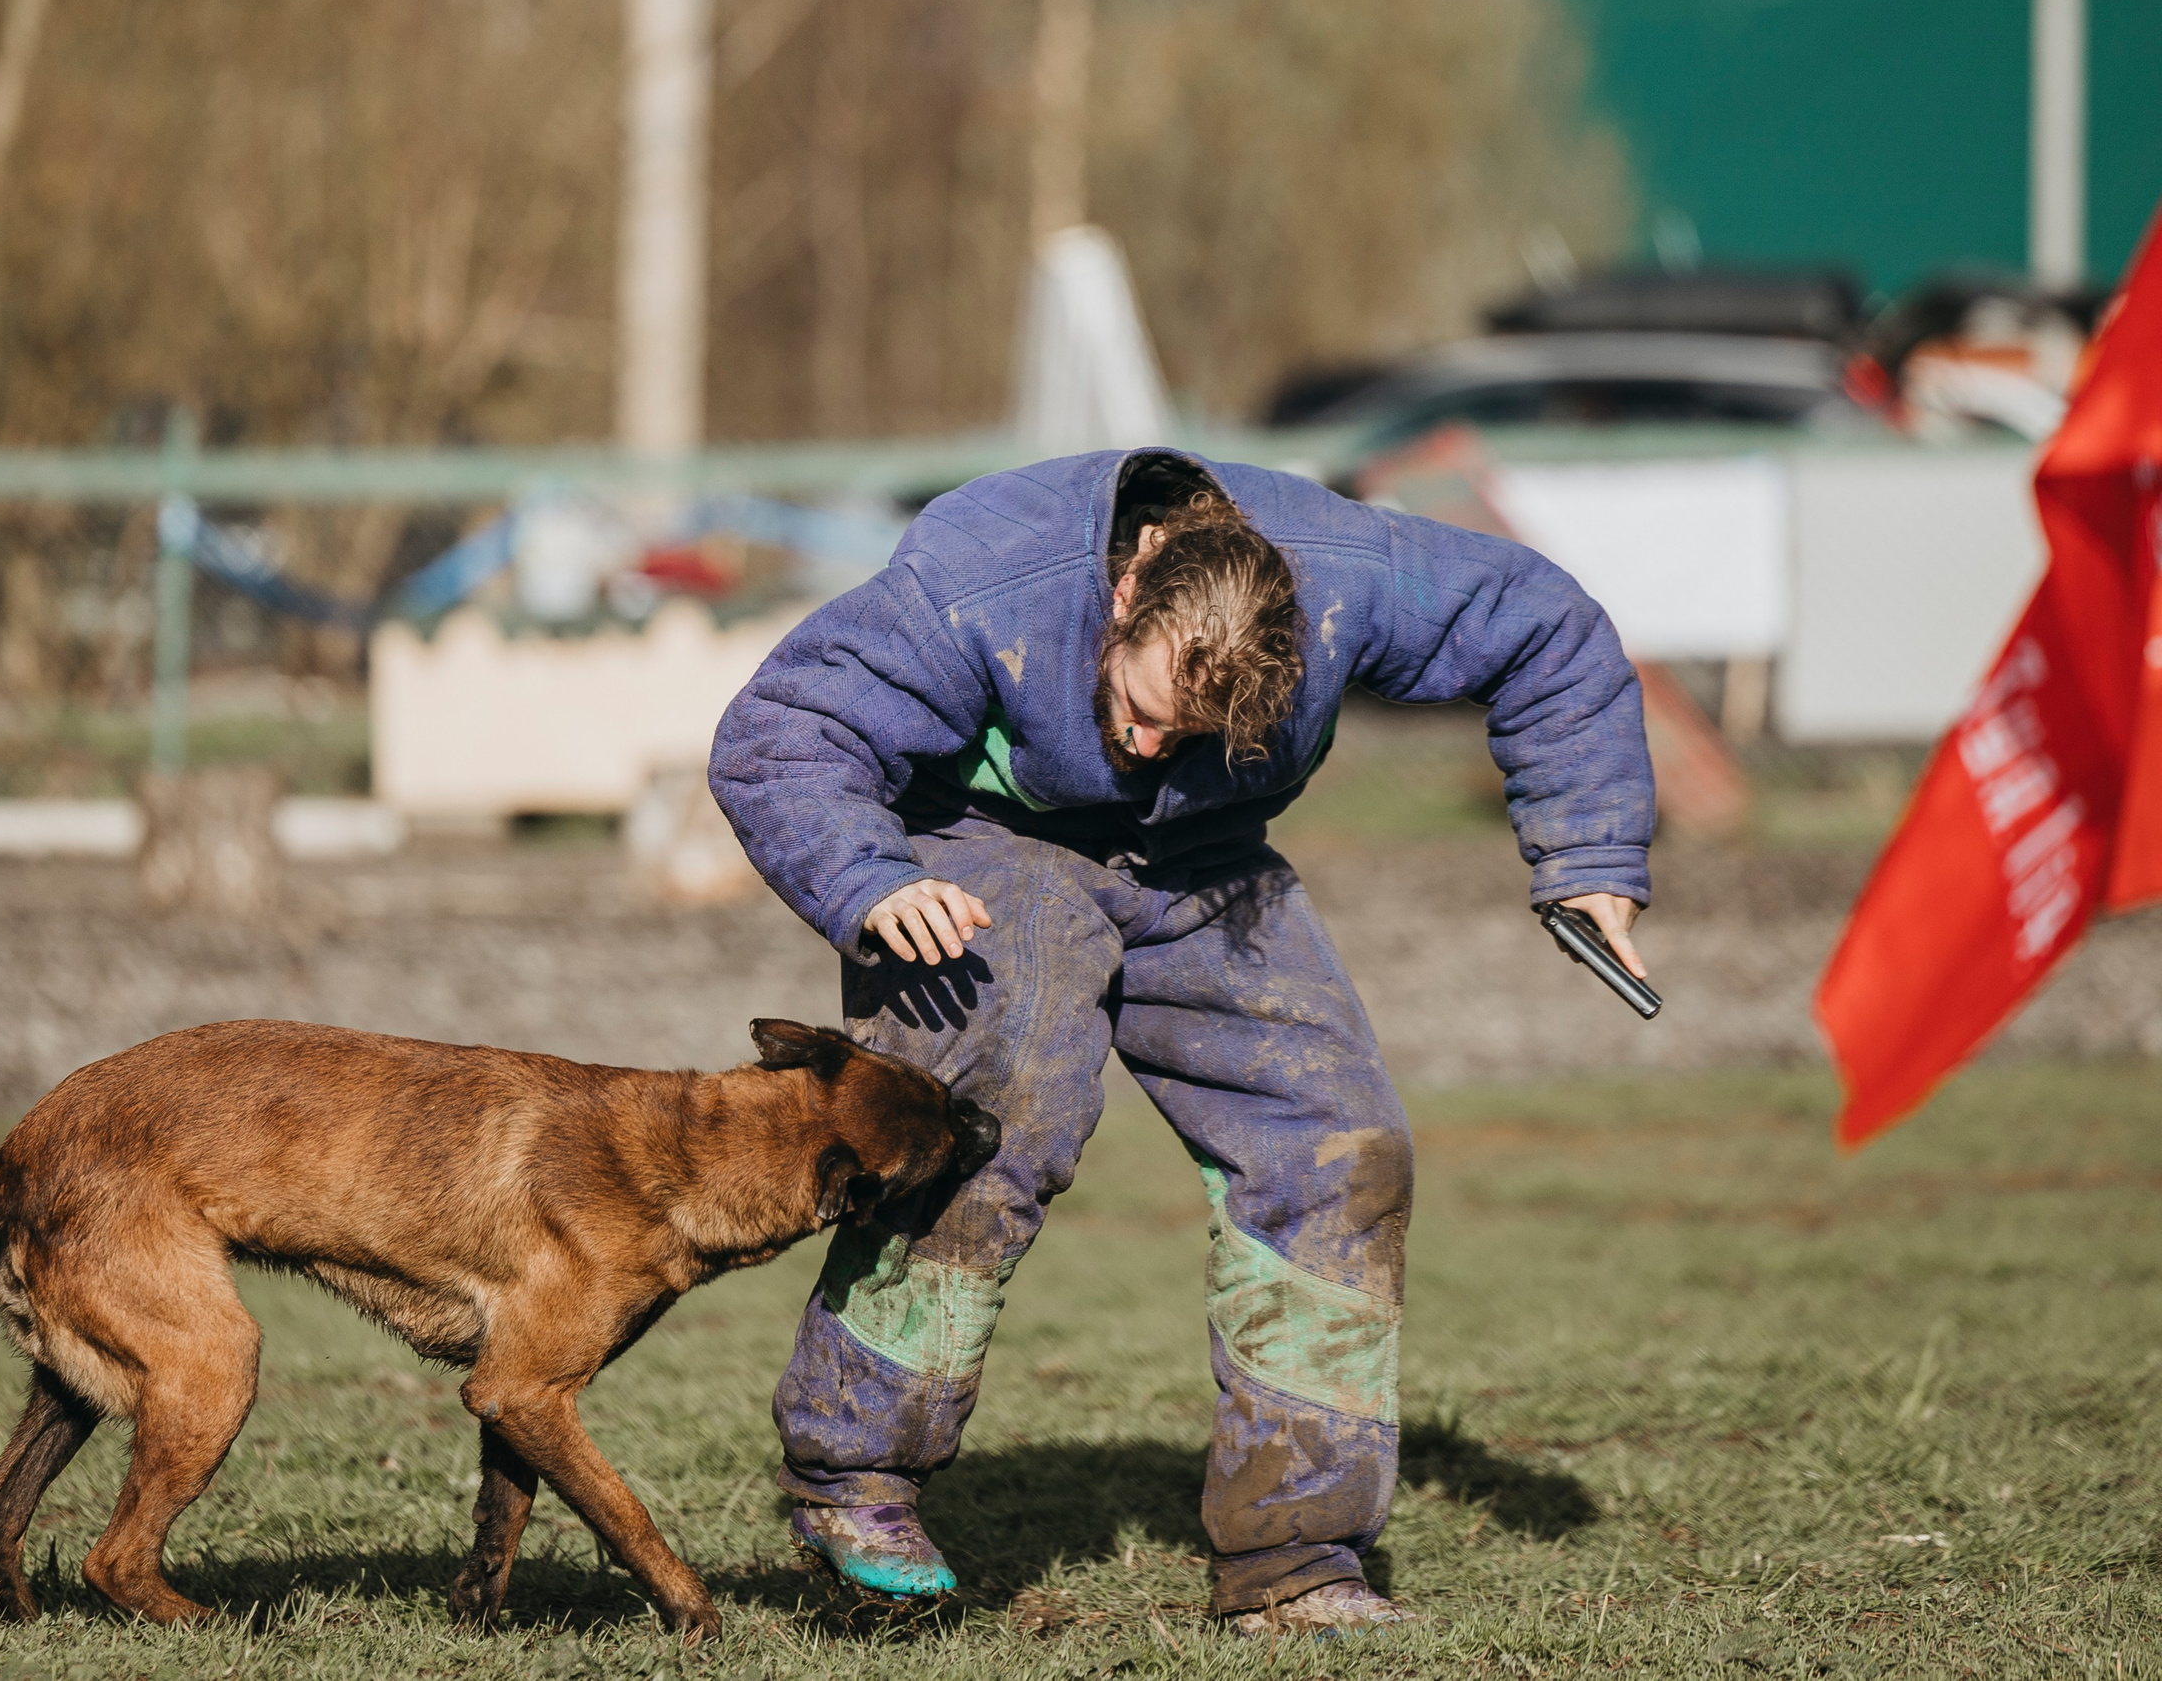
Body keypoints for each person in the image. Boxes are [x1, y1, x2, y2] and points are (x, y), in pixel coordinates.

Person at [706, 448, 1653, 1635]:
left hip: (1200, 860)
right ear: (1124, 593)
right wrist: (867, 879)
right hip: (978, 843)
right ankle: (854, 1478)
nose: (1148, 744)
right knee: (990, 1123)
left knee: (1340, 1150)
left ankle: (1296, 1558)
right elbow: (779, 732)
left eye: (1189, 728)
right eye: (1140, 711)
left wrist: (1590, 857)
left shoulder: (1356, 576)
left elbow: (1545, 625)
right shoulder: (984, 579)